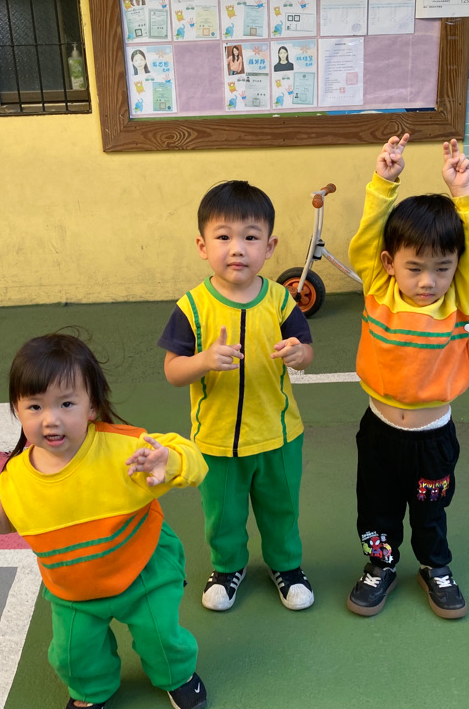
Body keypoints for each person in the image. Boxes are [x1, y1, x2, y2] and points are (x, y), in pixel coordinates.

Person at [0, 332, 209, 709]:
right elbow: (9, 515)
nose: (51, 419)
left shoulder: (124, 449)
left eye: (66, 403)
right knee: (72, 655)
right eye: (35, 406)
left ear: (92, 406)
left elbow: (194, 460)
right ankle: (91, 691)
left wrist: (170, 460)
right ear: (17, 409)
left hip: (142, 572)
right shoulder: (18, 476)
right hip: (73, 589)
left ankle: (177, 675)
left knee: (161, 637)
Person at [344, 134, 469, 620]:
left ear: (457, 268)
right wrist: (383, 183)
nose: (428, 280)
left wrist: (463, 194)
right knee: (377, 511)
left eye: (441, 268)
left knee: (430, 511)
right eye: (414, 268)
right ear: (389, 264)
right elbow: (367, 238)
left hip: (432, 439)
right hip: (379, 435)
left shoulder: (460, 299)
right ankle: (381, 564)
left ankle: (436, 567)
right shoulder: (378, 288)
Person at [158, 181, 316, 614]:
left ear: (269, 246)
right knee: (223, 515)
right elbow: (173, 371)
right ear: (202, 245)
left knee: (281, 508)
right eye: (223, 236)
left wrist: (298, 354)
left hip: (279, 435)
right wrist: (204, 360)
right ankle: (227, 568)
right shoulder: (191, 306)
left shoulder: (281, 300)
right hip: (217, 440)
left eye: (250, 237)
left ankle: (287, 566)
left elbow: (306, 352)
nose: (237, 248)